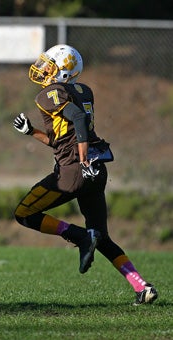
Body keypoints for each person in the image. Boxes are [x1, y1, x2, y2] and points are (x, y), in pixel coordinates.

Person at [12, 44, 157, 305]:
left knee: (24, 214)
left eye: (50, 65)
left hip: (74, 170)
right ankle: (142, 286)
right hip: (96, 170)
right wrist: (31, 131)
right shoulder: (83, 90)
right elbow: (63, 138)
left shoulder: (49, 94)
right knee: (101, 236)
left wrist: (81, 159)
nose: (44, 69)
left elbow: (77, 120)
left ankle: (79, 236)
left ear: (63, 73)